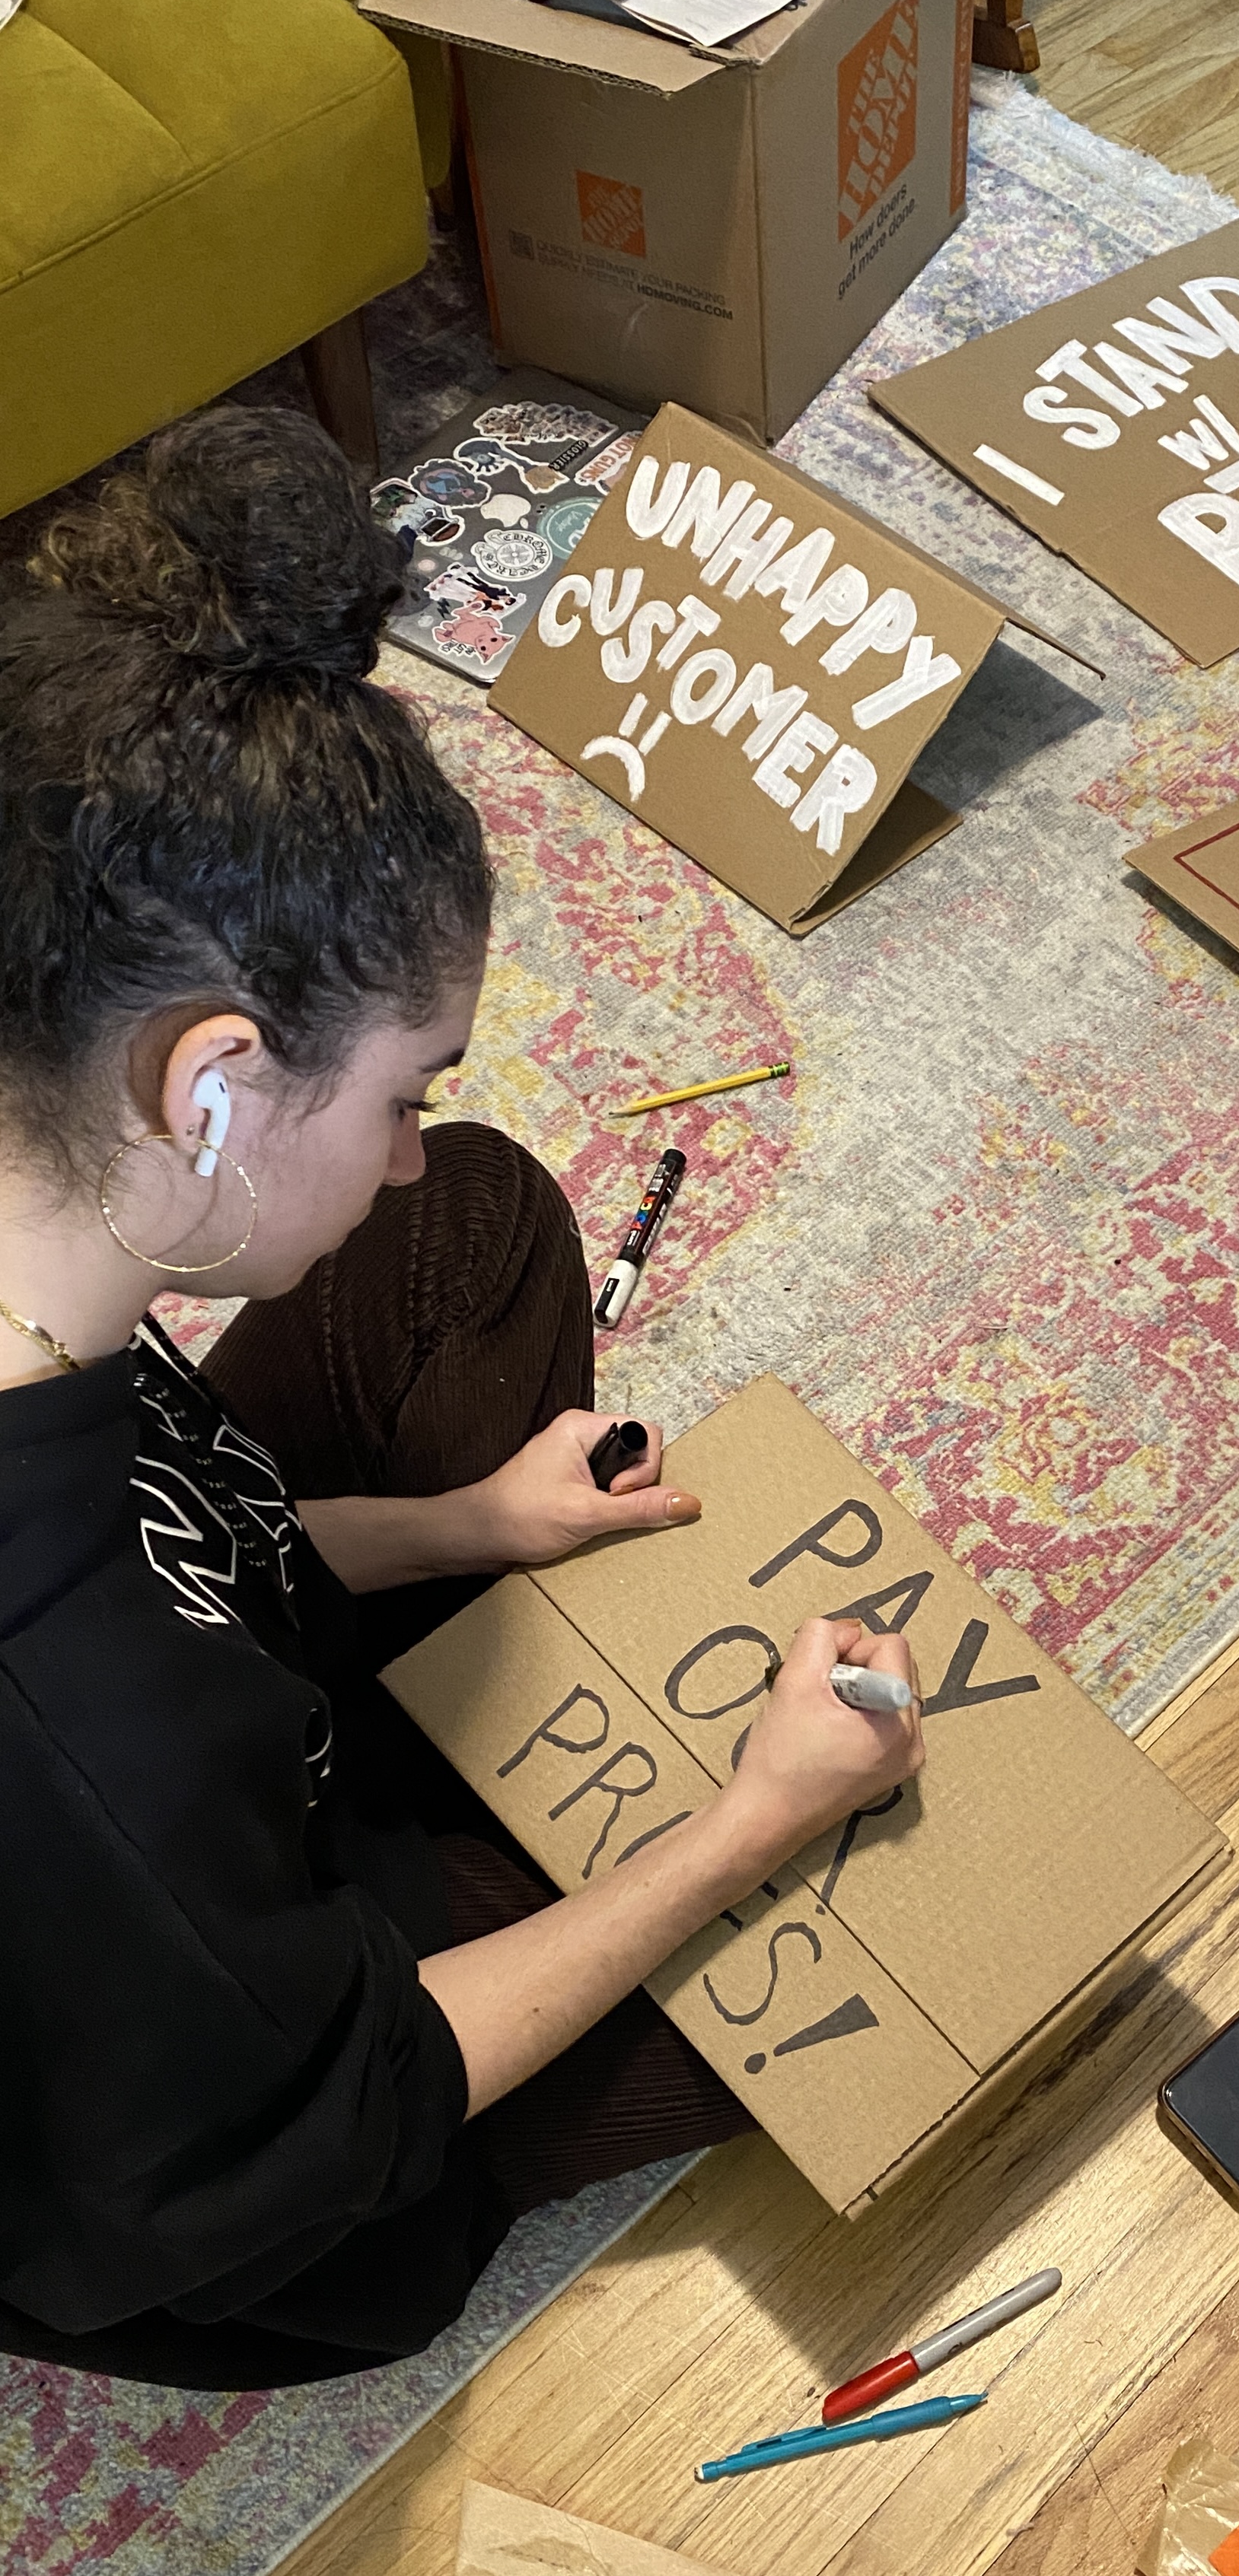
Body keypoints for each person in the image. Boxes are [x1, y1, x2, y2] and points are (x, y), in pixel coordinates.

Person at [0, 406, 925, 2390]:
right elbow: (337, 2107)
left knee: (480, 1221)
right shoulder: (78, 1729)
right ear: (215, 1088)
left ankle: (471, 1655)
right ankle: (631, 1816)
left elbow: (187, 1538)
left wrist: (473, 1527)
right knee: (914, 1911)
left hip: (179, 1815)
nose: (409, 1143)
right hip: (256, 2177)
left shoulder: (45, 1243)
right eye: (395, 1089)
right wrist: (750, 1829)